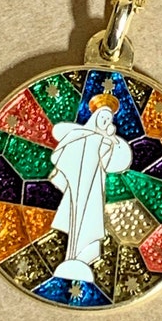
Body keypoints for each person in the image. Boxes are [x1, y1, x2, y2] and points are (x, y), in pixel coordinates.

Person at [49, 94, 132, 282]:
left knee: (91, 220)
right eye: (102, 117)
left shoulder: (107, 140)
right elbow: (67, 155)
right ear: (95, 117)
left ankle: (83, 258)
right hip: (80, 186)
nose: (105, 121)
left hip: (95, 187)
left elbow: (108, 163)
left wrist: (110, 140)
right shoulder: (82, 135)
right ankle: (72, 257)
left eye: (108, 119)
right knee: (77, 218)